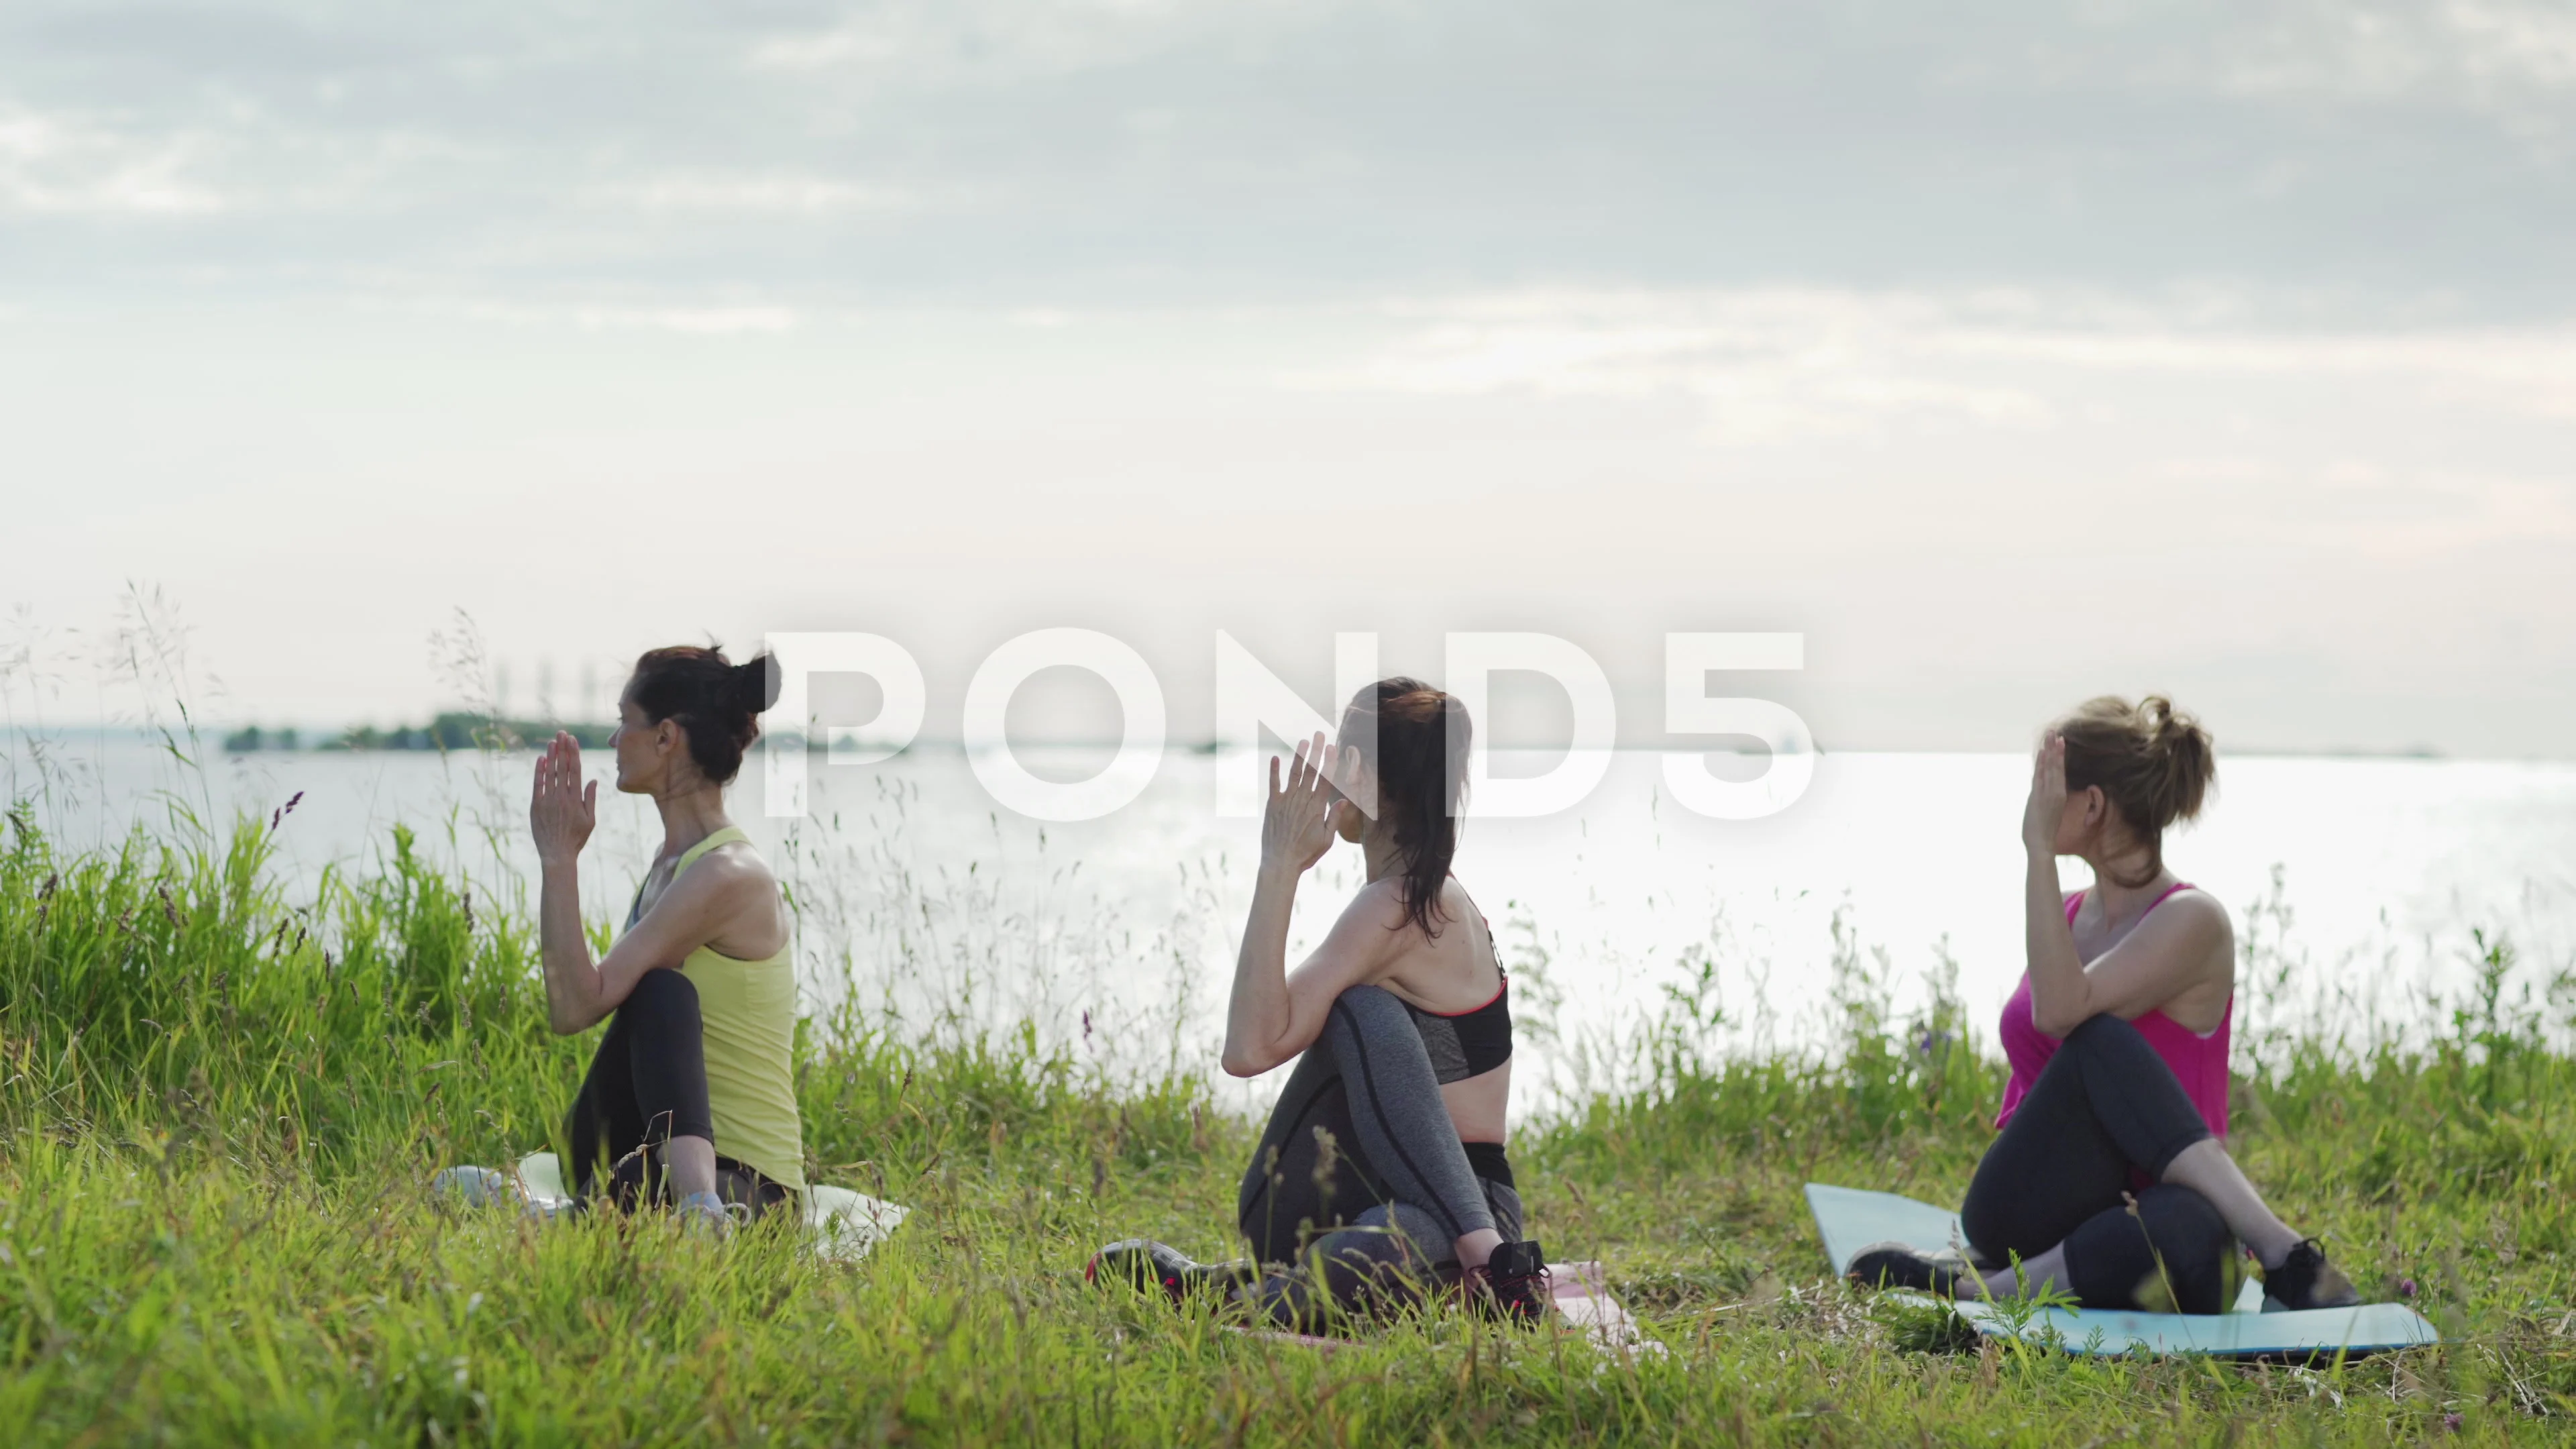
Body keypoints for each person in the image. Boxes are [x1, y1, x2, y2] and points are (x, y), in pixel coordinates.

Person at [1847, 697, 2359, 1313]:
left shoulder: (2191, 920)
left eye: (2046, 790)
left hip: (2148, 1222)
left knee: (2188, 1228)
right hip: (2026, 1204)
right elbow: (2062, 1015)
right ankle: (2286, 1256)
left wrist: (2036, 851)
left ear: (2091, 805)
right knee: (2099, 1038)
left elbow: (2065, 1009)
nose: (2034, 807)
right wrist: (2039, 857)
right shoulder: (2062, 915)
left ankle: (1972, 1287)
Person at [1089, 680, 1552, 1326]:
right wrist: (1281, 866)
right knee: (1358, 1011)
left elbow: (1249, 1049)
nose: (1328, 777)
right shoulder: (1427, 898)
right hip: (1376, 1193)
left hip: (1458, 1205)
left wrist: (1278, 866)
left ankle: (1479, 1262)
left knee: (1362, 1014)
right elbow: (1254, 1046)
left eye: (1341, 760)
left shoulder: (1400, 907)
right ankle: (1259, 1288)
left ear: (1370, 779)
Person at [528, 644, 804, 1232]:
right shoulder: (672, 865)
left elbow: (580, 1005)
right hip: (644, 1154)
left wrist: (560, 861)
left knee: (658, 991)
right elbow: (572, 1006)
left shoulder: (728, 875)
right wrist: (559, 862)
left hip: (752, 1184)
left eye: (625, 720)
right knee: (647, 1002)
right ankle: (577, 1208)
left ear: (665, 737)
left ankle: (697, 1211)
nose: (613, 740)